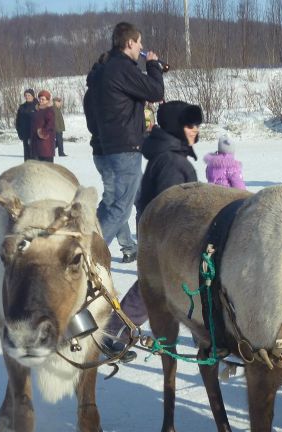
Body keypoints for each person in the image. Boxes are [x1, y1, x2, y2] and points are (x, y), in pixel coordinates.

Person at [105, 101, 203, 352]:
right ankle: (115, 332)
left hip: (161, 236)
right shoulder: (171, 162)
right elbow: (169, 207)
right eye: (190, 125)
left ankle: (115, 331)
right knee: (160, 286)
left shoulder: (169, 156)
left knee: (158, 286)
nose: (196, 130)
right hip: (166, 237)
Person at [93, 21, 165, 264]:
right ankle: (89, 256)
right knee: (121, 208)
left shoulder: (111, 69)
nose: (141, 47)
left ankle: (94, 240)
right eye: (139, 42)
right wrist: (153, 65)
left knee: (123, 200)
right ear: (130, 43)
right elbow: (155, 91)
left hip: (115, 146)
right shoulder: (122, 68)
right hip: (124, 148)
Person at [30, 90, 56, 162]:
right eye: (40, 99)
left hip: (45, 142)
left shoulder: (49, 110)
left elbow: (50, 124)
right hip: (36, 141)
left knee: (47, 166)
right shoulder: (37, 110)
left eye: (43, 99)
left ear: (47, 100)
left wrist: (42, 133)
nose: (41, 101)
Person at [15, 88, 37, 161]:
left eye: (29, 95)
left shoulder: (38, 106)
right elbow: (18, 121)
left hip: (35, 135)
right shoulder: (22, 107)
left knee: (35, 155)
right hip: (25, 135)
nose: (27, 97)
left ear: (33, 96)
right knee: (27, 155)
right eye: (26, 95)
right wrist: (20, 133)